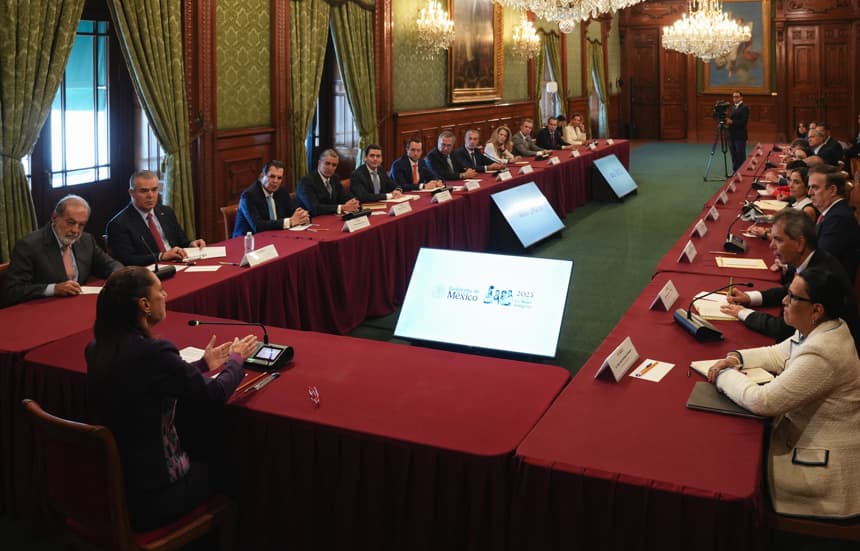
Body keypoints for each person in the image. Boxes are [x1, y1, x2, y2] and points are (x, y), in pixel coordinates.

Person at [86, 266, 258, 530]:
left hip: (117, 485)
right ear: (144, 304)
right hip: (157, 495)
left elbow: (145, 382)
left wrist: (202, 365)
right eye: (160, 290)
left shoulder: (97, 348)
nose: (165, 294)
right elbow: (213, 396)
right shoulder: (155, 352)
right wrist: (236, 360)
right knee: (234, 465)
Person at [707, 266, 860, 519]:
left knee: (727, 468)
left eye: (793, 297)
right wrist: (736, 358)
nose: (784, 300)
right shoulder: (825, 327)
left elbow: (763, 402)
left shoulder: (824, 352)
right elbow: (778, 353)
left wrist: (722, 376)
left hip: (825, 476)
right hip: (804, 440)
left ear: (816, 309)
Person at [722, 209, 858, 350]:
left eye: (778, 240)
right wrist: (750, 298)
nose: (771, 246)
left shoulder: (820, 275)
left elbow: (787, 328)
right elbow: (788, 290)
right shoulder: (816, 258)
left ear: (799, 244)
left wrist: (742, 312)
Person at [2, 195, 122, 307]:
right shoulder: (29, 245)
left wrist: (120, 275)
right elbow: (13, 291)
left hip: (76, 306)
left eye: (81, 225)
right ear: (54, 218)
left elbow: (110, 265)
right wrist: (53, 289)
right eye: (71, 223)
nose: (76, 230)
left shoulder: (86, 240)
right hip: (43, 309)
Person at [107, 170, 206, 266]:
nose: (150, 195)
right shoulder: (118, 224)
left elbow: (181, 241)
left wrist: (191, 244)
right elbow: (127, 260)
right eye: (144, 191)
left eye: (154, 190)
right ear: (131, 192)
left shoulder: (166, 212)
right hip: (149, 273)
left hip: (179, 263)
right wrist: (161, 256)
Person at [808, 164, 860, 280]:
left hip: (828, 290)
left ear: (832, 190)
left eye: (815, 188)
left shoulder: (839, 219)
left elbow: (820, 261)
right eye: (810, 187)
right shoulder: (832, 213)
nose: (809, 192)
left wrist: (789, 264)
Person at [231, 160, 310, 237]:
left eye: (279, 178)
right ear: (262, 176)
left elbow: (292, 211)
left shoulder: (281, 192)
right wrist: (289, 222)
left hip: (276, 236)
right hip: (248, 241)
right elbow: (258, 226)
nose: (275, 181)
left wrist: (302, 216)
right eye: (272, 176)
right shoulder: (248, 196)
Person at [296, 149, 360, 216]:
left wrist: (353, 202)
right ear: (319, 163)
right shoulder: (306, 182)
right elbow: (314, 208)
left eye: (334, 165)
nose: (330, 168)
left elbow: (344, 196)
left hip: (330, 217)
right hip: (311, 221)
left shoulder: (335, 178)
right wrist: (341, 208)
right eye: (327, 163)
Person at [724, 90, 749, 173]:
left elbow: (743, 122)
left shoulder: (744, 107)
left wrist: (732, 122)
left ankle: (742, 172)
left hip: (740, 135)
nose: (735, 98)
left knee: (740, 155)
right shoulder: (732, 107)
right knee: (733, 155)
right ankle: (735, 171)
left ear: (741, 97)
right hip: (731, 135)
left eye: (737, 96)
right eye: (733, 97)